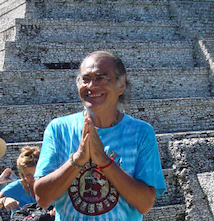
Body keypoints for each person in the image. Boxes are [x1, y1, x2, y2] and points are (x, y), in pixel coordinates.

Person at [34, 51, 166, 221]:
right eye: (85, 79)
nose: (91, 85)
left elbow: (145, 204)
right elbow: (42, 198)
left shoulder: (141, 133)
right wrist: (78, 158)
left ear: (121, 85)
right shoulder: (58, 129)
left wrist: (104, 161)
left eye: (101, 78)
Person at [0, 146, 40, 217]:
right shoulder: (15, 187)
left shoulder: (52, 185)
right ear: (22, 173)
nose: (34, 178)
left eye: (37, 174)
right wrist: (3, 201)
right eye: (28, 175)